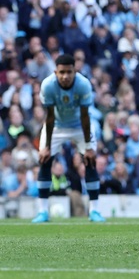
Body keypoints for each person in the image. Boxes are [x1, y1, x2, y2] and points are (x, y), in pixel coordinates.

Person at [33, 54, 106, 223]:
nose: (65, 76)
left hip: (80, 126)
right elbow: (49, 117)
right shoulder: (48, 85)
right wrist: (47, 146)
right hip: (57, 126)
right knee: (44, 160)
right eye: (62, 72)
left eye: (69, 72)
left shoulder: (83, 84)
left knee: (90, 160)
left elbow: (85, 117)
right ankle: (43, 212)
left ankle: (94, 211)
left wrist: (88, 146)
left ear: (75, 71)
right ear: (55, 72)